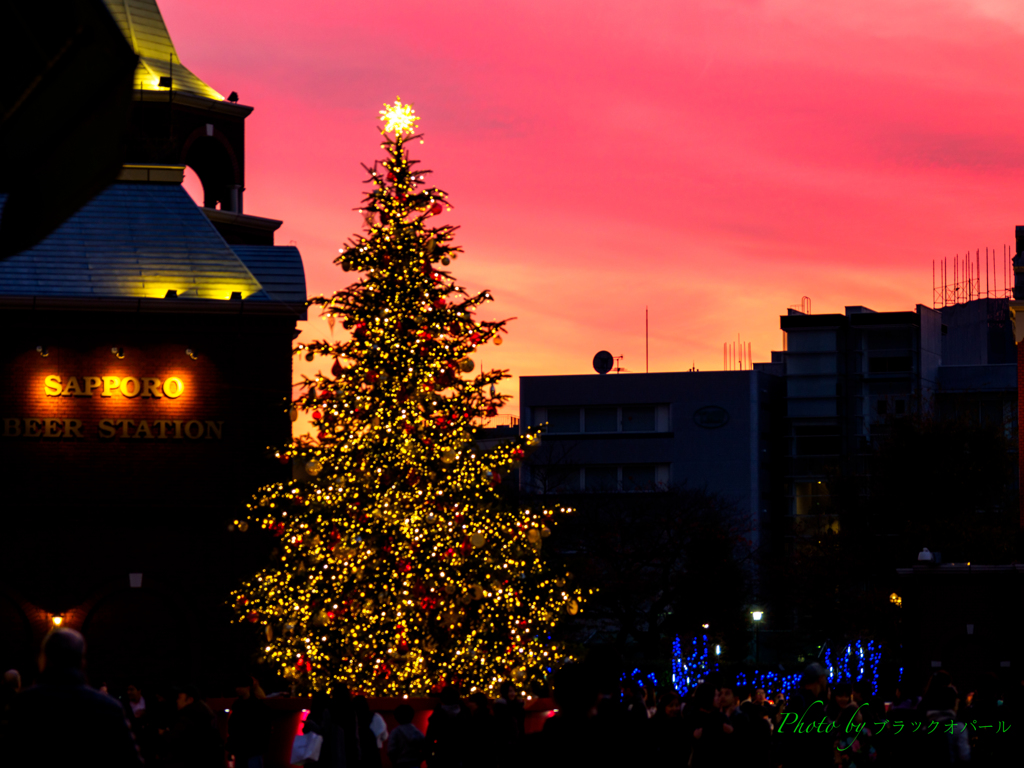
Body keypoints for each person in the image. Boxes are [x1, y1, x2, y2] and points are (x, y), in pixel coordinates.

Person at [0, 628, 143, 767]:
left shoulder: (22, 705)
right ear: (82, 662)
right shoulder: (108, 708)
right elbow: (132, 765)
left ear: (43, 660)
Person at [774, 663, 833, 768]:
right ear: (820, 678)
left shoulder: (799, 699)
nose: (826, 681)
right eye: (825, 678)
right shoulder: (808, 703)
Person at [164, 684, 224, 768]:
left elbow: (173, 742)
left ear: (190, 700)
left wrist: (164, 733)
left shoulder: (186, 720)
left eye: (179, 698)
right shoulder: (205, 717)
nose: (177, 701)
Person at [227, 674, 271, 768]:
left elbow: (233, 728)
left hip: (244, 749)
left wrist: (231, 748)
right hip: (252, 749)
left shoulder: (238, 705)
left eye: (240, 686)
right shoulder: (257, 705)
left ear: (247, 687)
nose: (237, 689)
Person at [425, 686, 470, 768]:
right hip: (459, 754)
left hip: (442, 755)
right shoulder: (465, 715)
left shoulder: (437, 716)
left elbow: (429, 738)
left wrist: (429, 759)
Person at [388, 703, 426, 768]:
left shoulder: (395, 732)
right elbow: (425, 747)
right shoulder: (417, 732)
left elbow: (391, 751)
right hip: (415, 764)